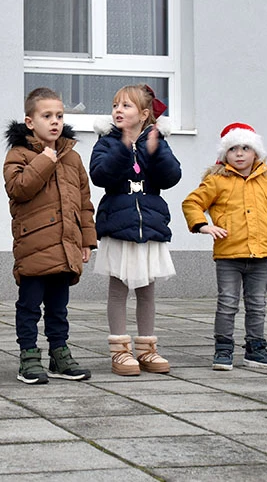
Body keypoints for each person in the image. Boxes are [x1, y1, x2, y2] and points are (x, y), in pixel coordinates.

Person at [182, 123, 267, 371]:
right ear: (225, 154)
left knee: (257, 304)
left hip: (260, 254)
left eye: (245, 148)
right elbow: (192, 202)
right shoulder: (217, 180)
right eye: (233, 149)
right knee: (227, 303)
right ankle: (223, 349)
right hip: (229, 254)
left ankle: (255, 349)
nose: (239, 153)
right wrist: (202, 225)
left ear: (256, 152)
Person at [4, 87, 97, 384]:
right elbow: (18, 189)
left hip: (65, 246)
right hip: (34, 246)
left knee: (58, 308)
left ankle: (59, 354)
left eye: (59, 116)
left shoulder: (73, 158)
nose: (55, 122)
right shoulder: (18, 154)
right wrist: (45, 159)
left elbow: (84, 202)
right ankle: (29, 357)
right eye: (47, 116)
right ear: (30, 122)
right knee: (29, 306)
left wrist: (86, 239)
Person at [89, 85, 181, 375]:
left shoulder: (156, 141)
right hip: (119, 225)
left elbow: (171, 177)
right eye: (115, 105)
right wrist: (122, 147)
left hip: (149, 225)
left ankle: (147, 349)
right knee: (118, 290)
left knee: (147, 290)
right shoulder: (107, 141)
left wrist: (155, 151)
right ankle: (119, 350)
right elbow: (100, 175)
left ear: (143, 114)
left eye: (126, 106)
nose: (118, 110)